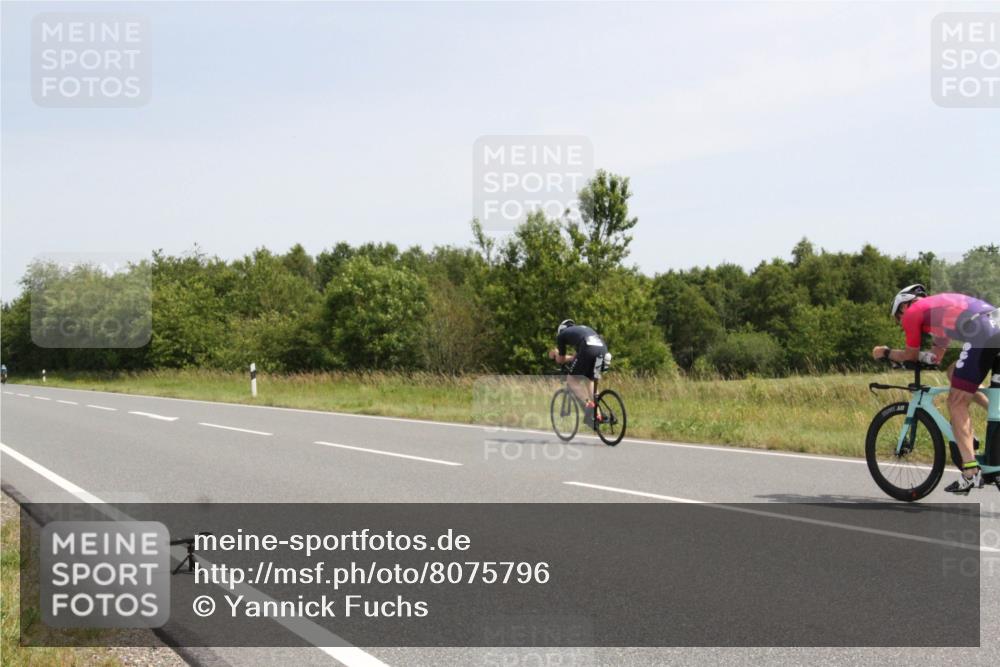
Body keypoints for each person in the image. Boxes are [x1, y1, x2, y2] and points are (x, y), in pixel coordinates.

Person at [873, 285, 1000, 494]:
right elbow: (936, 357)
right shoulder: (939, 311)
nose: (900, 322)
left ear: (904, 305)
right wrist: (928, 357)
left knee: (956, 402)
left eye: (898, 317)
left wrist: (885, 352)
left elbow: (910, 355)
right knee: (953, 374)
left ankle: (970, 473)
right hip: (996, 321)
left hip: (983, 331)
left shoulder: (913, 312)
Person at [548, 319, 609, 427]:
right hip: (603, 349)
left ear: (561, 330)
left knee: (571, 379)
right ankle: (598, 414)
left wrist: (555, 354)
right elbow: (576, 357)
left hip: (588, 349)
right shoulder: (581, 330)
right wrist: (571, 358)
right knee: (590, 380)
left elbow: (561, 360)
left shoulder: (562, 335)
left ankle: (588, 405)